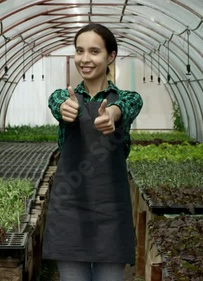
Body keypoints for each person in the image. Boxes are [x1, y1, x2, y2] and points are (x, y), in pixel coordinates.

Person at [42, 23, 143, 281]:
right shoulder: (64, 98)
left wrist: (111, 113)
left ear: (110, 56)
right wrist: (66, 109)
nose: (85, 59)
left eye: (94, 51)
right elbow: (56, 103)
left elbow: (127, 106)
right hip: (70, 210)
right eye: (79, 51)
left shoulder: (126, 98)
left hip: (111, 212)